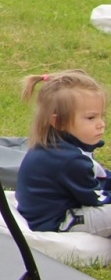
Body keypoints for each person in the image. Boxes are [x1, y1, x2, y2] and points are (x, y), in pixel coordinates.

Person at [16, 72, 111, 235]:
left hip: (51, 212)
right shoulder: (70, 160)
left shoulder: (60, 147)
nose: (101, 124)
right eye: (91, 118)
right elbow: (95, 198)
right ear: (58, 122)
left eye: (102, 116)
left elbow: (96, 177)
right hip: (56, 222)